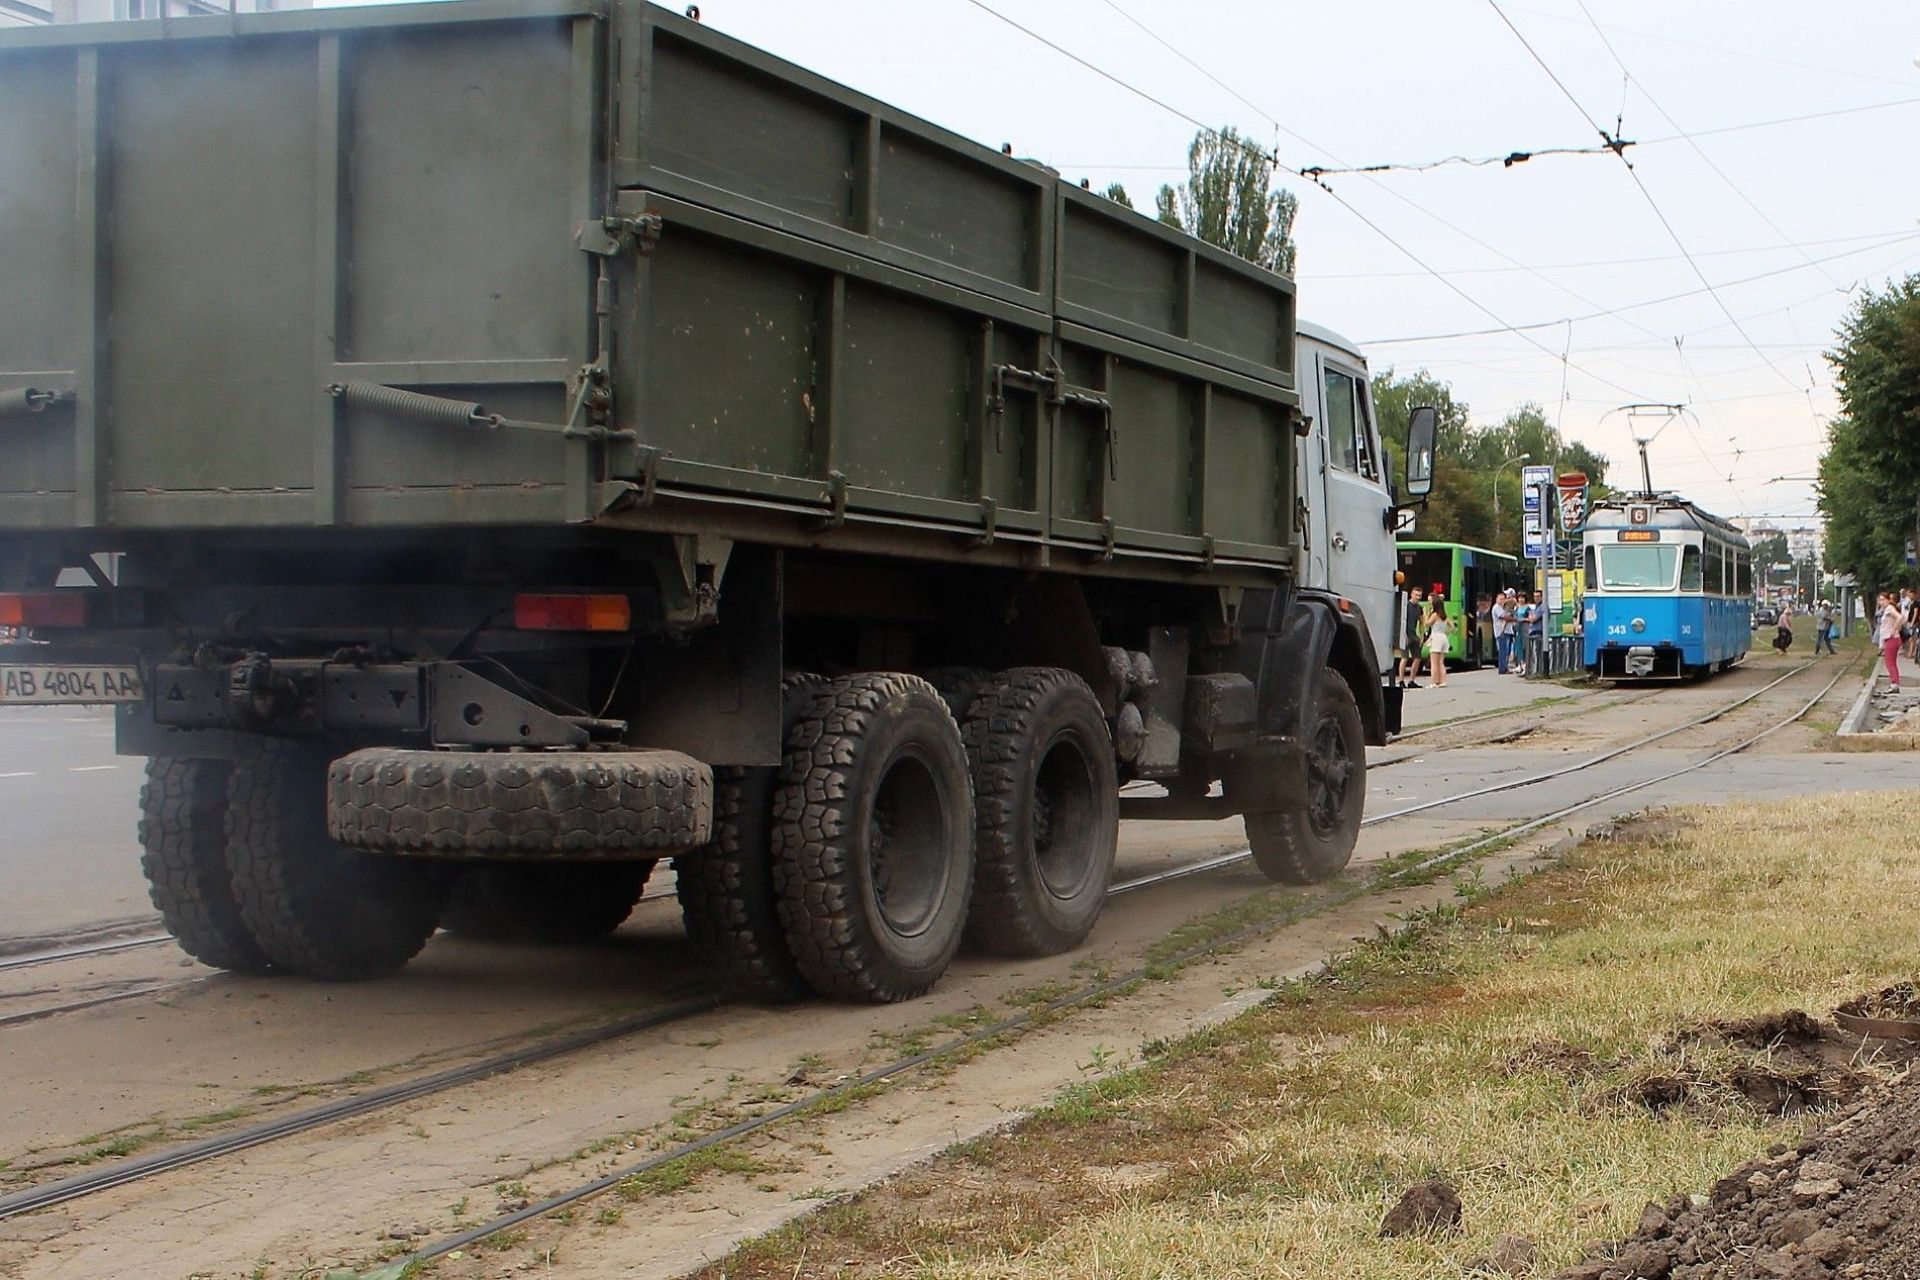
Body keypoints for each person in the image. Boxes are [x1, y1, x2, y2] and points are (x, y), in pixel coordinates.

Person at [1397, 586, 1426, 688]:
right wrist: (1403, 635)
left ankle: (1411, 680)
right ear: (1411, 594)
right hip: (1406, 634)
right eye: (1416, 595)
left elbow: (1422, 623)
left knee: (1417, 658)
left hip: (1414, 635)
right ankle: (1401, 680)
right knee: (1404, 657)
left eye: (1420, 596)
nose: (1418, 597)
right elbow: (1401, 620)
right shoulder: (1406, 606)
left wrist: (1422, 636)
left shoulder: (1419, 608)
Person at [1878, 591, 1904, 693]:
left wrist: (1894, 629)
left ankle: (1894, 684)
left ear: (1888, 600)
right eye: (1880, 600)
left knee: (1889, 662)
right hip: (1891, 638)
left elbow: (1900, 617)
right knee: (1891, 662)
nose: (1881, 602)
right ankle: (1895, 683)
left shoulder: (1889, 608)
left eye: (1883, 600)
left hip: (1891, 639)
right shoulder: (1887, 609)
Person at [1425, 595, 1451, 689]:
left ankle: (1433, 682)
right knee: (1441, 662)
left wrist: (1425, 614)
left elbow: (1427, 624)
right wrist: (1446, 633)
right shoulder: (1444, 615)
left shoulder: (1435, 615)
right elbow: (1452, 627)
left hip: (1436, 637)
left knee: (1434, 662)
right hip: (1443, 637)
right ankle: (1443, 681)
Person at [1491, 589, 1516, 675]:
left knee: (1506, 651)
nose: (1501, 601)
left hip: (1506, 631)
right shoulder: (1496, 607)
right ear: (1496, 599)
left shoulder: (1503, 607)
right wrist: (1515, 619)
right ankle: (1502, 669)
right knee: (1502, 651)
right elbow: (1504, 617)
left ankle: (1505, 667)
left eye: (1503, 599)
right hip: (1500, 632)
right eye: (1500, 599)